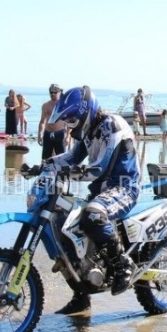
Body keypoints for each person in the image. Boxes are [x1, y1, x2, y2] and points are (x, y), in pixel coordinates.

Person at [46, 86, 141, 314]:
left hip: (123, 187)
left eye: (72, 119)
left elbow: (99, 168)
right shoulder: (89, 132)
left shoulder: (112, 125)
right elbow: (70, 157)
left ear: (85, 112)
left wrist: (69, 172)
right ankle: (81, 295)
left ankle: (122, 265)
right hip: (100, 192)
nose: (70, 124)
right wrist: (43, 165)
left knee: (93, 214)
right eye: (67, 120)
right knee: (62, 225)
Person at [37, 84, 69, 160]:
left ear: (59, 92)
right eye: (51, 92)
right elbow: (42, 121)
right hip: (48, 133)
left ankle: (60, 171)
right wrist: (39, 135)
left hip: (59, 133)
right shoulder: (46, 105)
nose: (53, 94)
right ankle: (46, 171)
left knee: (61, 158)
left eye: (55, 92)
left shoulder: (64, 105)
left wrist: (68, 137)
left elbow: (69, 122)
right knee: (46, 159)